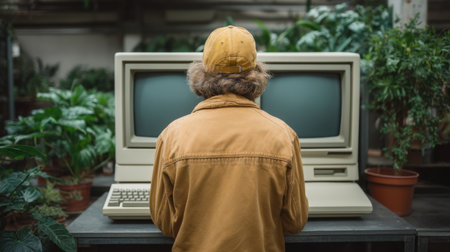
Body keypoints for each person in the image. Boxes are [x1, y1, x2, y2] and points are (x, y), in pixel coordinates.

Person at [150, 25, 308, 252]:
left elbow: (165, 222)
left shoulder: (172, 136)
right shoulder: (283, 135)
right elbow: (295, 222)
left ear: (202, 74)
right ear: (257, 75)